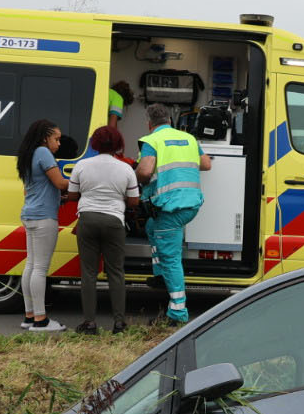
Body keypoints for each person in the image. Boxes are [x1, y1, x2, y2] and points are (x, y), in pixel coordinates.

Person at [135, 103, 211, 324]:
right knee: (151, 226)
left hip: (170, 208)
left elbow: (146, 170)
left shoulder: (151, 141)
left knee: (172, 259)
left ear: (150, 124)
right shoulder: (188, 138)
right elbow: (206, 164)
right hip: (191, 204)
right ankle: (160, 275)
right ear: (170, 120)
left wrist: (135, 176)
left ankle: (177, 313)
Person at [67, 125, 140, 335]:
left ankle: (89, 323)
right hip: (114, 221)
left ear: (95, 144)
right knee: (116, 272)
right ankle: (119, 324)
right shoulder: (125, 168)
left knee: (88, 273)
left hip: (87, 220)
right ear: (118, 144)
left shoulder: (82, 165)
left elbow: (72, 196)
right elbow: (134, 201)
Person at [15, 119, 71, 332]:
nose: (58, 143)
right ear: (44, 138)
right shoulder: (44, 153)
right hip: (43, 217)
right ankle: (41, 320)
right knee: (40, 268)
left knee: (30, 265)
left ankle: (29, 316)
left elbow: (39, 188)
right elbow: (60, 183)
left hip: (30, 214)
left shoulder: (29, 154)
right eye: (56, 139)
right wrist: (82, 178)